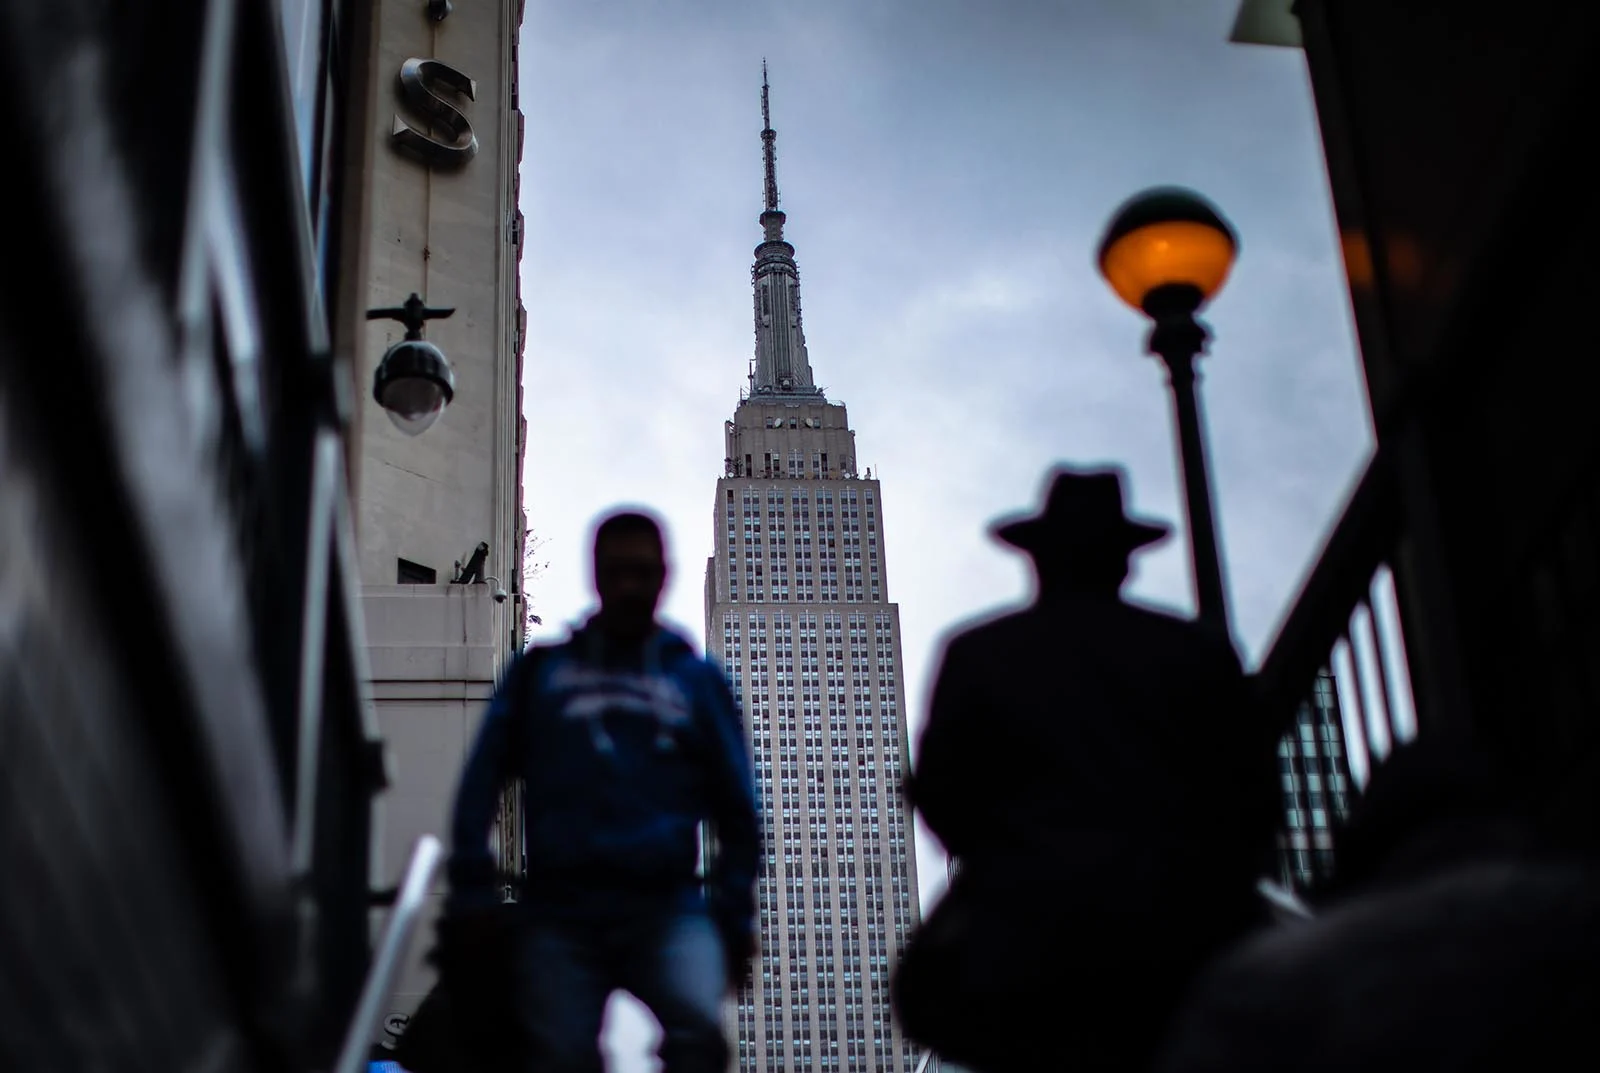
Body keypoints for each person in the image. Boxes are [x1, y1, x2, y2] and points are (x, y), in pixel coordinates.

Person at [894, 466, 1282, 1073]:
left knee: (933, 999)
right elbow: (1252, 794)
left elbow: (939, 790)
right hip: (1180, 927)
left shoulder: (980, 651)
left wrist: (1000, 859)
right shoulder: (1196, 650)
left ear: (1037, 560)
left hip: (1023, 940)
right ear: (1125, 563)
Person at [447, 509, 760, 1073]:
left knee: (699, 1036)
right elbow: (480, 783)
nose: (629, 586)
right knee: (559, 1055)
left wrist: (734, 917)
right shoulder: (542, 672)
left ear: (664, 576)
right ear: (596, 574)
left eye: (642, 572)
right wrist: (473, 895)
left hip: (667, 905)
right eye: (617, 571)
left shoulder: (696, 681)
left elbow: (738, 808)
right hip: (562, 907)